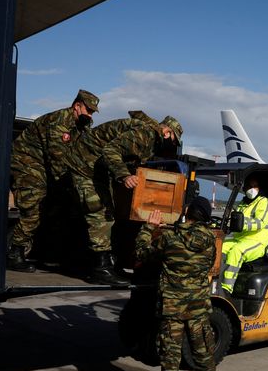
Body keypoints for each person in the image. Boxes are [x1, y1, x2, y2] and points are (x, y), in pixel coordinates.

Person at [135, 198, 221, 371]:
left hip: (172, 310)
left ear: (186, 212)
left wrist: (149, 227)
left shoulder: (170, 238)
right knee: (204, 358)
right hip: (198, 310)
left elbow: (142, 253)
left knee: (170, 363)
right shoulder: (210, 242)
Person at [65, 111, 183, 284]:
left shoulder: (149, 136)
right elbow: (110, 150)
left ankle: (107, 264)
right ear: (167, 132)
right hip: (84, 165)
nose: (172, 143)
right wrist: (124, 176)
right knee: (100, 213)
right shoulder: (146, 134)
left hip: (95, 169)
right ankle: (101, 269)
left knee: (111, 213)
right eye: (173, 139)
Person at [9, 89, 99, 271]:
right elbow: (58, 159)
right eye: (87, 110)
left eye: (92, 112)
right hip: (27, 162)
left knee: (57, 208)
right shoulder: (59, 122)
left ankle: (45, 253)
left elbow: (84, 152)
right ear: (77, 106)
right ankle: (14, 254)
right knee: (33, 205)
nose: (89, 115)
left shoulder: (81, 125)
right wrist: (74, 184)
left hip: (45, 166)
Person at [220, 176, 268, 293]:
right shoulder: (243, 203)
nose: (252, 189)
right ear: (244, 188)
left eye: (254, 186)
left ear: (259, 188)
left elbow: (260, 222)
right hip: (240, 238)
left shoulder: (264, 203)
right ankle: (215, 280)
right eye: (249, 186)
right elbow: (235, 219)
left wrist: (241, 224)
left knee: (237, 251)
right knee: (219, 247)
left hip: (257, 241)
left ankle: (226, 289)